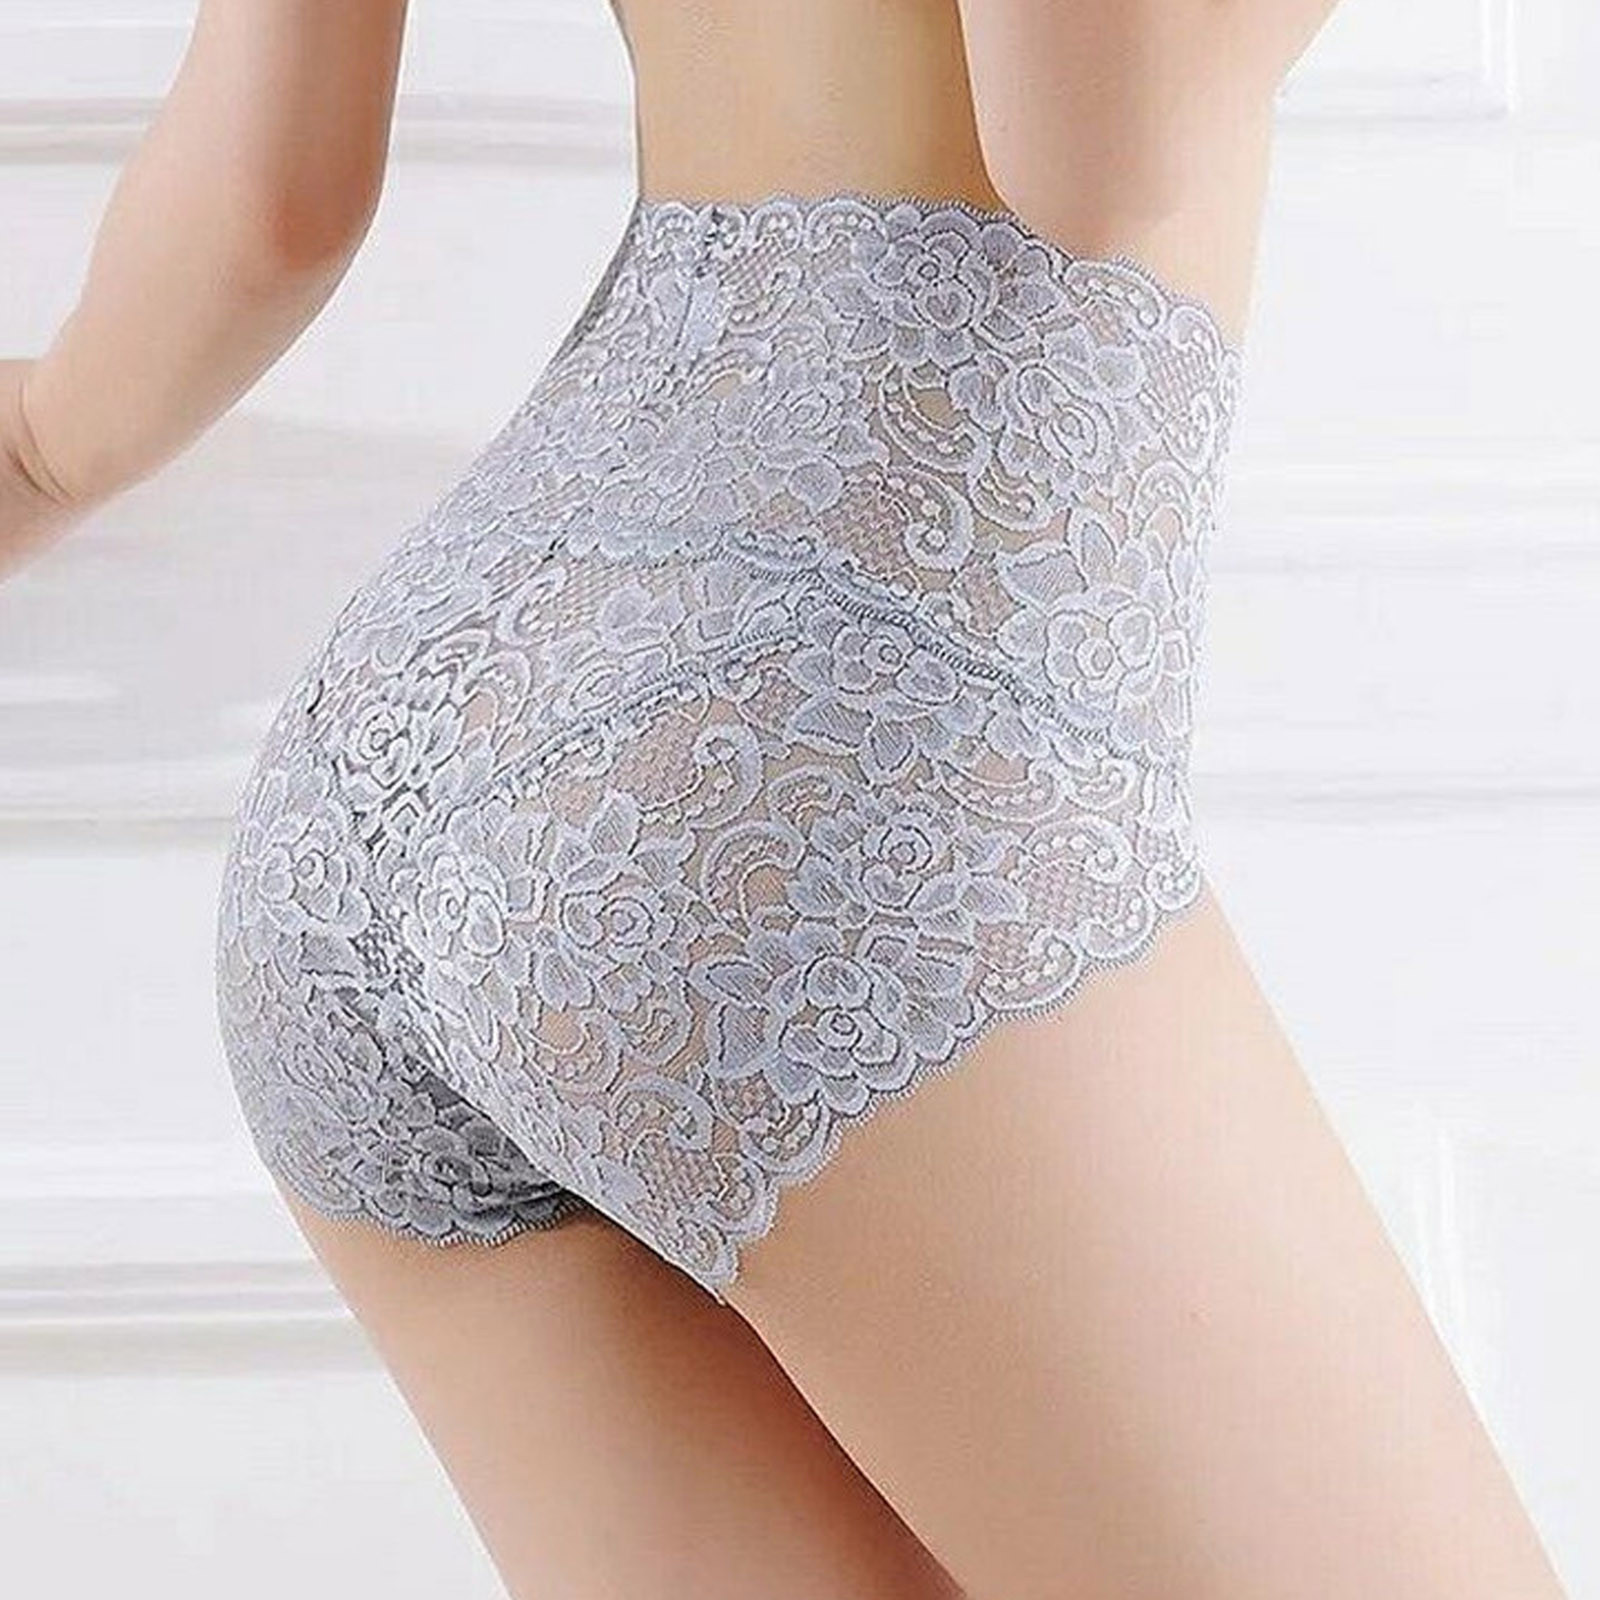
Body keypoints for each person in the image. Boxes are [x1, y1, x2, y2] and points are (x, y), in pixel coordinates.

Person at [0, 4, 1572, 1597]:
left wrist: (39, 452)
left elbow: (268, 208)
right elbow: (1099, 146)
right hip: (834, 774)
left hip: (388, 770)